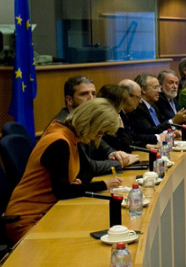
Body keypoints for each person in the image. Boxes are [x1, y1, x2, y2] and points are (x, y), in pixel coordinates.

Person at [5, 99, 122, 242]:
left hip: (49, 212)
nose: (99, 137)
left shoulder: (72, 136)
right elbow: (62, 190)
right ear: (90, 123)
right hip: (28, 220)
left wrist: (79, 183)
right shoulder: (59, 141)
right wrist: (104, 184)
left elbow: (87, 171)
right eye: (100, 132)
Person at [49, 76, 137, 174]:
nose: (91, 98)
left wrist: (115, 154)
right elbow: (86, 167)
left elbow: (100, 145)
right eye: (84, 94)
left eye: (93, 94)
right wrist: (119, 163)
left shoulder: (88, 121)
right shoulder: (65, 124)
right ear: (69, 100)